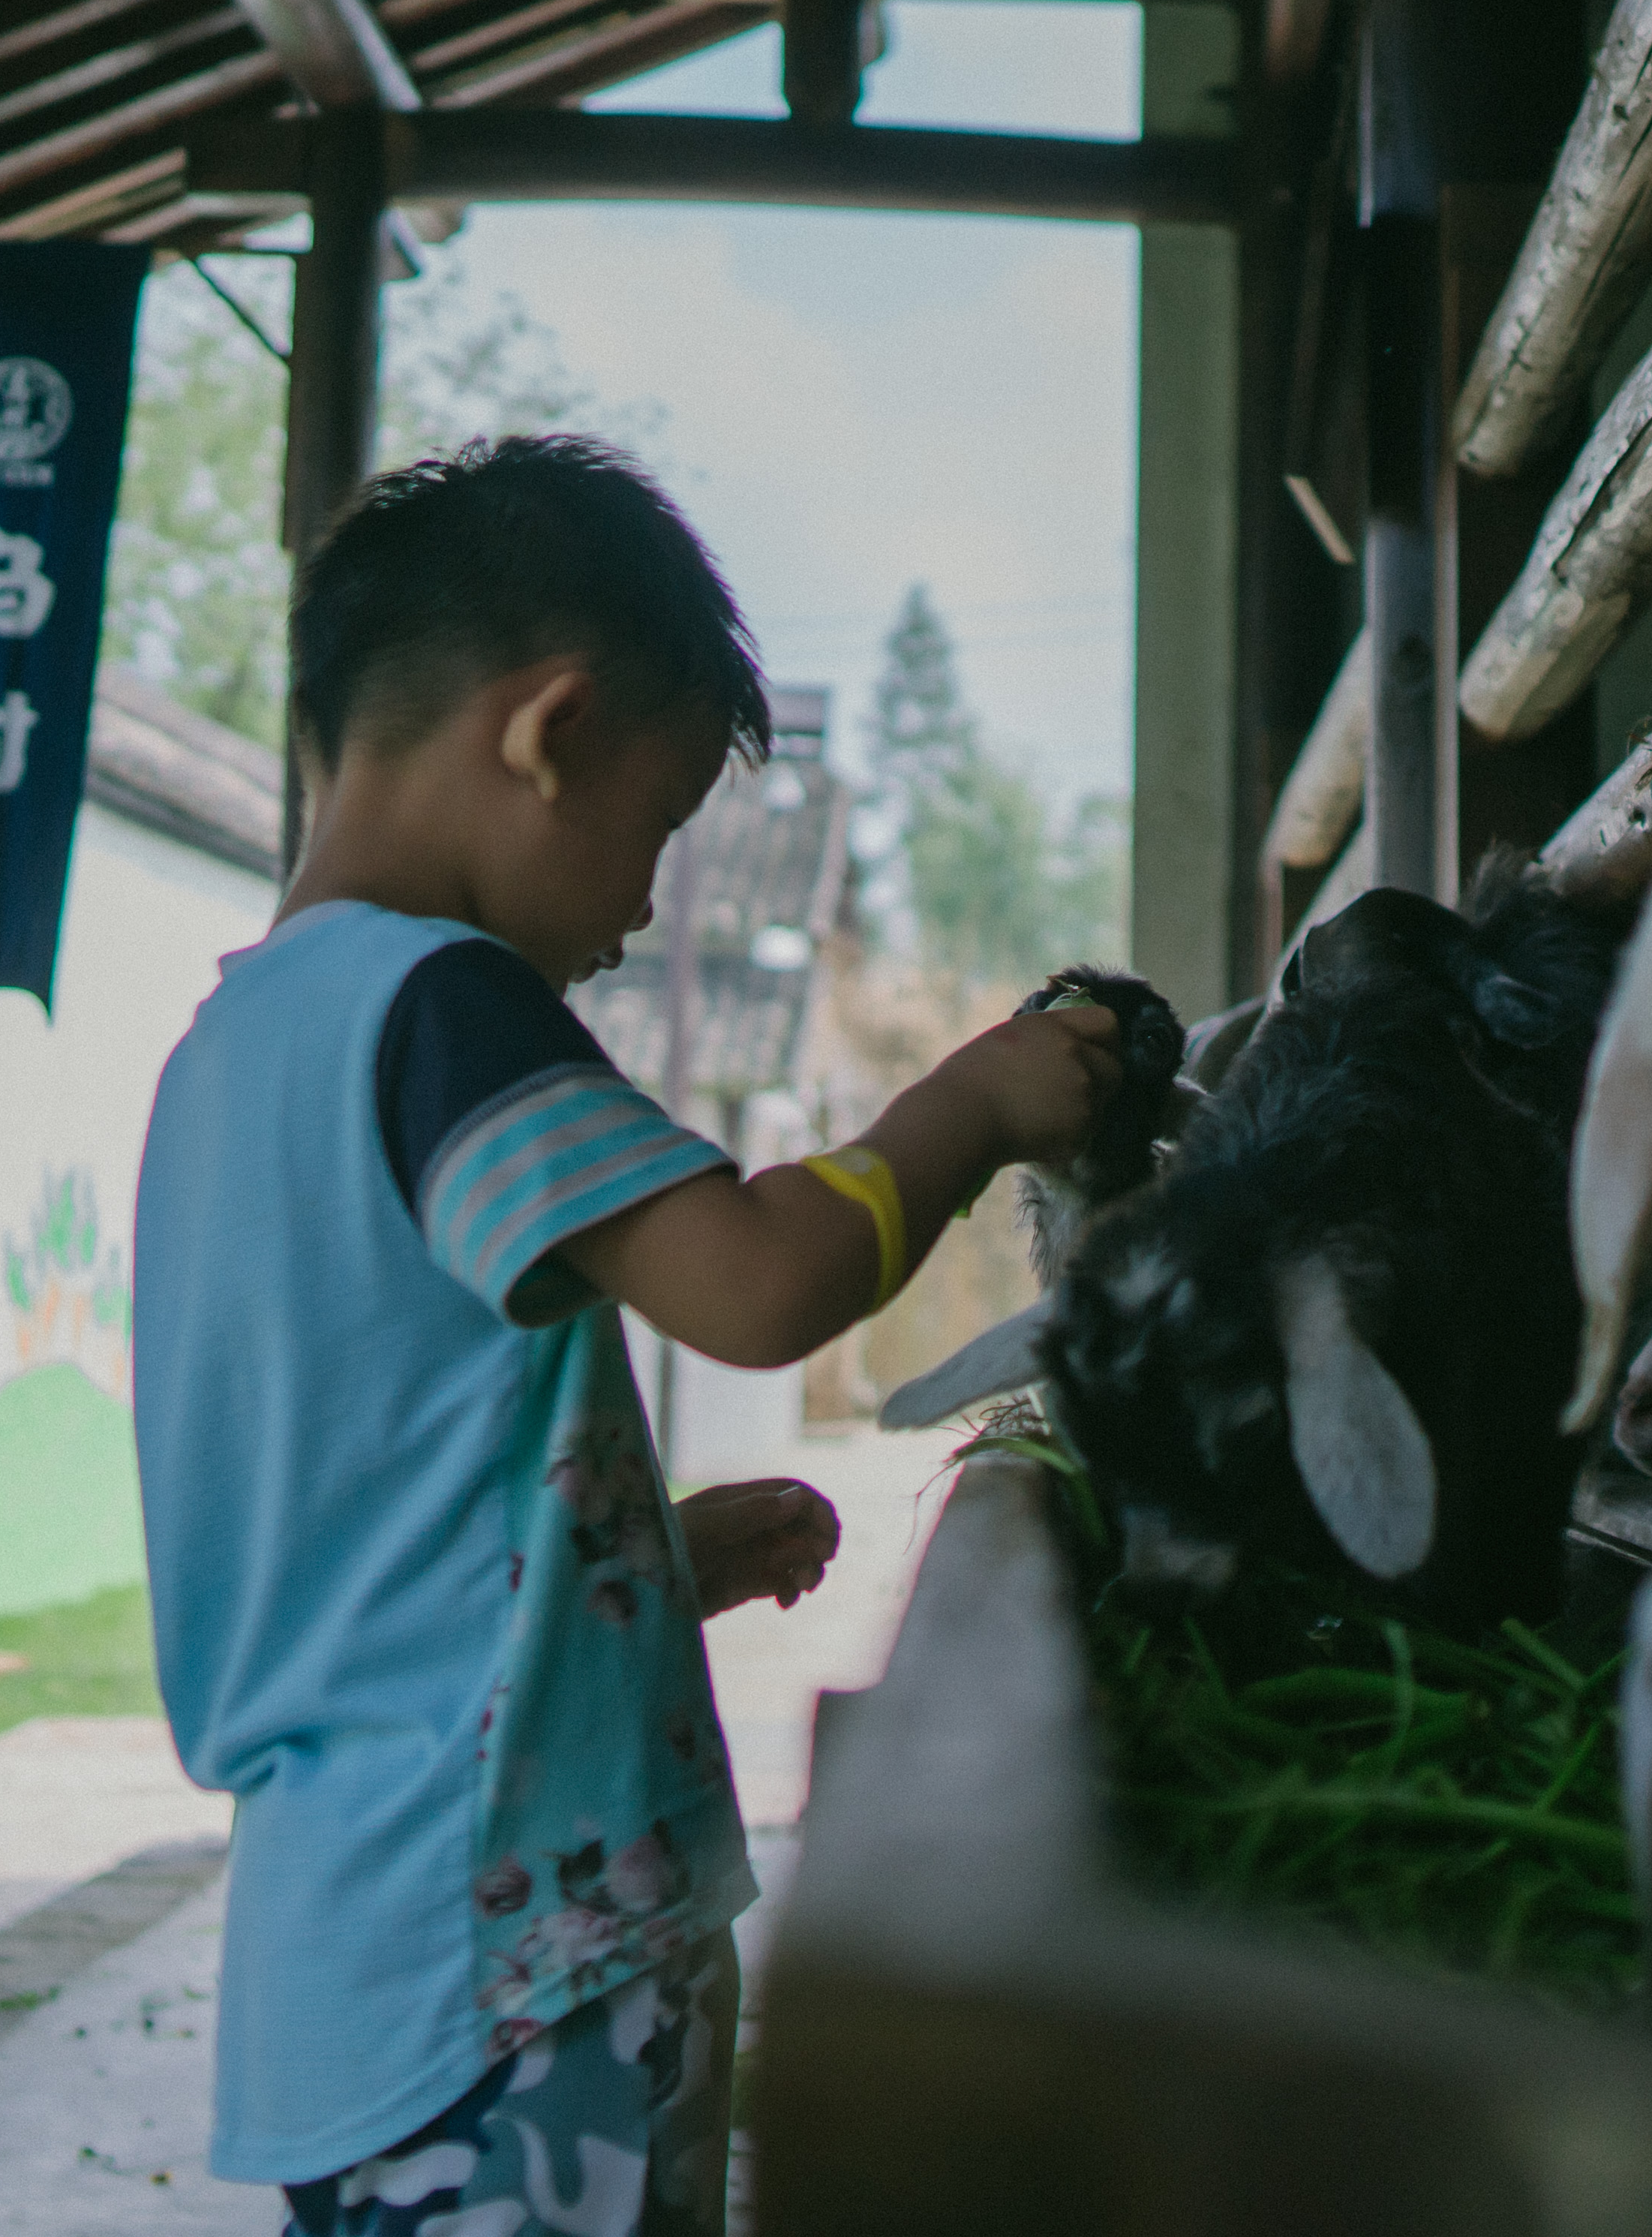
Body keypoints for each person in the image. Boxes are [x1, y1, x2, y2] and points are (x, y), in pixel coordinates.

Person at [133, 436, 1116, 2235]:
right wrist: (971, 1104)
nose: (648, 905)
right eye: (657, 829)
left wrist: (637, 1564)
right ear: (549, 730)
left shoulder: (230, 1055)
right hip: (520, 1949)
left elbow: (356, 1523)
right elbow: (756, 1284)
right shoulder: (442, 1005)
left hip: (352, 1945)